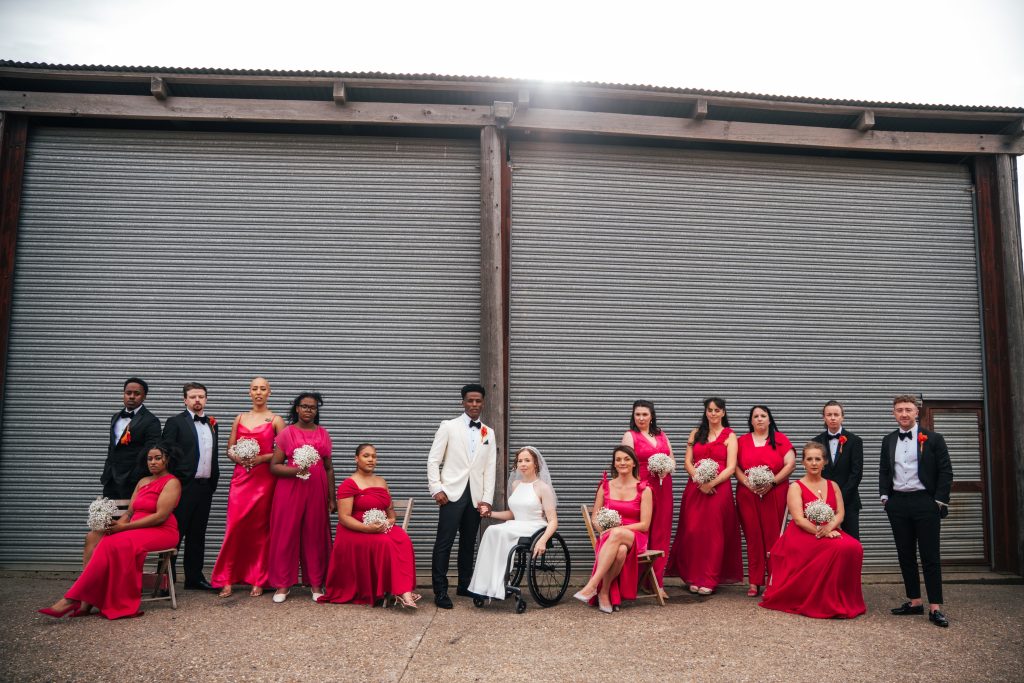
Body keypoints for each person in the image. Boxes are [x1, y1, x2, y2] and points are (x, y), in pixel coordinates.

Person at [40, 442, 182, 620]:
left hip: (160, 530)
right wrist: (115, 526)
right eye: (149, 458)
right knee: (94, 536)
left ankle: (71, 599)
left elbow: (160, 516)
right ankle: (85, 602)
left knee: (111, 543)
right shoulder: (143, 481)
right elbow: (130, 513)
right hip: (135, 528)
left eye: (158, 458)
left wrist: (123, 528)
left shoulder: (172, 482)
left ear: (167, 460)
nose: (152, 462)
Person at [760, 442, 866, 619]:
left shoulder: (833, 485)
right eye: (809, 459)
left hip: (829, 529)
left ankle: (845, 598)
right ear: (803, 462)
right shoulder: (796, 487)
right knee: (837, 548)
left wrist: (829, 527)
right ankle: (826, 601)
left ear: (825, 462)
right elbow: (799, 519)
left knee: (855, 546)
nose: (814, 463)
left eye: (818, 459)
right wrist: (821, 531)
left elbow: (840, 513)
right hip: (803, 533)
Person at [880, 394, 954, 628]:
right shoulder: (888, 440)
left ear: (916, 413)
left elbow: (946, 471)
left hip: (925, 502)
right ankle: (914, 601)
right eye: (899, 410)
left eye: (908, 409)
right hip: (898, 503)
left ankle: (935, 607)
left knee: (930, 556)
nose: (903, 413)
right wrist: (885, 497)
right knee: (905, 555)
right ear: (893, 413)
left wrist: (939, 501)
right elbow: (884, 470)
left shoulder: (933, 439)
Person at [211, 377, 285, 598]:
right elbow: (229, 449)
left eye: (263, 389)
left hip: (264, 480)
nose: (259, 392)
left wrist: (262, 458)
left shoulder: (276, 420)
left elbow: (284, 452)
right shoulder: (240, 418)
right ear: (249, 392)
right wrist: (238, 457)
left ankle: (258, 578)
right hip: (241, 479)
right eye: (255, 389)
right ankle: (227, 578)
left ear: (269, 393)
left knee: (260, 530)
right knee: (234, 527)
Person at [319, 443, 419, 607]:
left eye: (374, 456)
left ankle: (404, 590)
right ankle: (400, 592)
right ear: (356, 459)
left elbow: (390, 510)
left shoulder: (381, 481)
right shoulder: (349, 484)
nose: (371, 459)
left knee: (403, 539)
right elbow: (344, 518)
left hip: (380, 527)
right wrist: (367, 528)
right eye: (366, 456)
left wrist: (390, 521)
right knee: (385, 543)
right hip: (355, 530)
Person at [427, 383, 497, 609]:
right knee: (444, 543)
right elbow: (433, 460)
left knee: (468, 543)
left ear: (483, 403)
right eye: (470, 400)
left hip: (475, 496)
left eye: (478, 401)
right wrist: (437, 488)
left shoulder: (489, 432)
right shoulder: (448, 426)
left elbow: (490, 468)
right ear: (463, 402)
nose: (474, 404)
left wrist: (486, 498)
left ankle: (465, 584)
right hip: (451, 493)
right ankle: (440, 591)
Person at [666, 397, 743, 595]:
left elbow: (731, 467)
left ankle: (709, 578)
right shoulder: (695, 433)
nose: (713, 413)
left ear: (723, 413)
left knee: (714, 534)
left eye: (717, 410)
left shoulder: (730, 436)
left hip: (719, 490)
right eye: (710, 410)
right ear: (705, 412)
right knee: (692, 531)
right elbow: (687, 462)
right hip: (695, 488)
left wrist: (712, 483)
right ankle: (693, 576)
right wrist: (699, 480)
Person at [267, 392, 335, 603]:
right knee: (286, 535)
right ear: (297, 408)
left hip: (316, 491)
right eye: (304, 406)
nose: (308, 410)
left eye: (312, 407)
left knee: (314, 535)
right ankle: (283, 585)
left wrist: (332, 498)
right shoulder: (287, 433)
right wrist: (297, 470)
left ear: (317, 411)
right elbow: (274, 466)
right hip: (289, 491)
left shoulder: (323, 434)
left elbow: (329, 468)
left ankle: (316, 583)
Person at [468, 446, 558, 601]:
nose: (522, 464)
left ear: (535, 464)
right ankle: (486, 585)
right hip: (517, 524)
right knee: (491, 530)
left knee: (502, 532)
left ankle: (500, 583)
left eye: (527, 460)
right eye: (520, 461)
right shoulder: (516, 484)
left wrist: (543, 540)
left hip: (534, 526)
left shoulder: (543, 488)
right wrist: (491, 514)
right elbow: (512, 514)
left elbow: (553, 521)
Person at [574, 445, 652, 613]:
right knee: (620, 550)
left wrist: (616, 530)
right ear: (614, 464)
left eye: (626, 459)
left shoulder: (644, 489)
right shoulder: (605, 486)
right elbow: (595, 517)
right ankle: (603, 592)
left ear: (634, 463)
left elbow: (645, 525)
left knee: (618, 536)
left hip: (636, 537)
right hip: (611, 538)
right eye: (618, 460)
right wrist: (603, 529)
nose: (622, 462)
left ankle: (592, 585)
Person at [163, 381, 219, 591]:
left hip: (205, 488)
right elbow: (166, 455)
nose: (197, 400)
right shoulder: (174, 422)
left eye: (201, 396)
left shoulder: (213, 423)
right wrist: (173, 483)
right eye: (193, 397)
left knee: (198, 535)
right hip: (182, 487)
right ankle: (166, 581)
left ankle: (194, 578)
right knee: (173, 534)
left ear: (206, 399)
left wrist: (213, 481)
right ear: (185, 399)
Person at [735, 405, 795, 597]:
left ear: (769, 419)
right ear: (751, 421)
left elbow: (790, 463)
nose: (760, 419)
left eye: (763, 415)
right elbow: (734, 466)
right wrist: (747, 482)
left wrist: (772, 481)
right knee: (752, 536)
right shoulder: (742, 441)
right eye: (756, 416)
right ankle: (754, 580)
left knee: (774, 535)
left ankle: (774, 578)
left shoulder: (780, 439)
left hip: (775, 493)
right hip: (748, 493)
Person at [620, 399, 674, 599]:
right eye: (637, 414)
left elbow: (672, 458)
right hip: (641, 487)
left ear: (652, 416)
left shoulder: (662, 434)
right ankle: (635, 580)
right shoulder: (630, 435)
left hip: (663, 485)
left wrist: (666, 468)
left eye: (645, 414)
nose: (641, 418)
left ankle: (656, 583)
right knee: (643, 531)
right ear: (633, 416)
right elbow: (625, 464)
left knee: (661, 531)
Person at [101, 377, 161, 500]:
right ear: (124, 394)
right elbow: (113, 447)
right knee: (109, 515)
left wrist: (136, 475)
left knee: (130, 517)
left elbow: (151, 451)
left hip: (132, 480)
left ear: (144, 397)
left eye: (137, 394)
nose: (132, 396)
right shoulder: (116, 417)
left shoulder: (151, 421)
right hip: (110, 478)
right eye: (128, 393)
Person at [812, 400, 864, 539]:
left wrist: (840, 497)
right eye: (829, 414)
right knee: (824, 539)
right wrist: (826, 497)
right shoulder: (816, 441)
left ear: (842, 417)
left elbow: (856, 473)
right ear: (824, 417)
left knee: (852, 541)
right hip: (823, 501)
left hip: (849, 500)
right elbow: (814, 471)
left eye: (836, 414)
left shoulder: (855, 441)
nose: (833, 418)